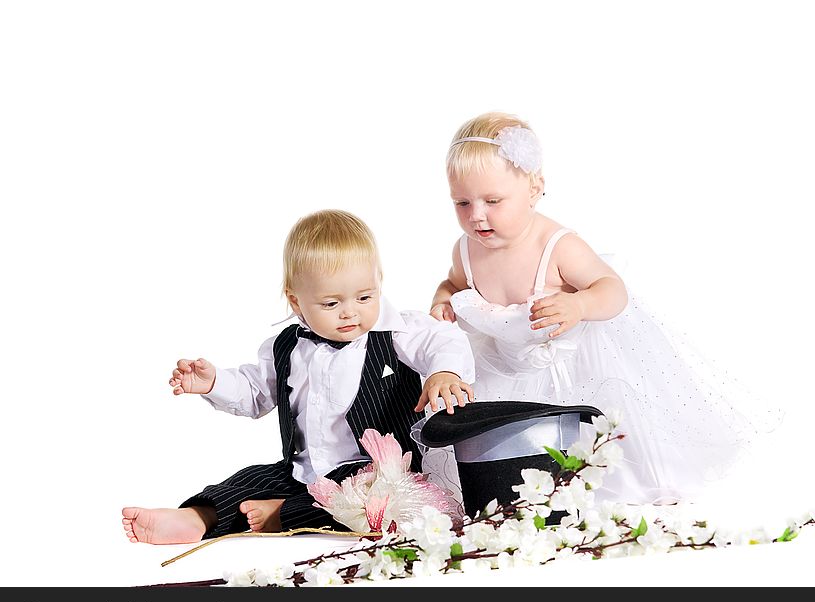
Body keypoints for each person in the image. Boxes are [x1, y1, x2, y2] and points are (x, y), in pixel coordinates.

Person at [429, 112, 779, 505]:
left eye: (493, 201)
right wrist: (443, 298)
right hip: (506, 368)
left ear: (534, 188)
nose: (476, 215)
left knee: (600, 450)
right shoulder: (466, 250)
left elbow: (613, 291)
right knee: (514, 455)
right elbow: (454, 283)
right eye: (462, 202)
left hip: (570, 370)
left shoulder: (557, 245)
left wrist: (579, 303)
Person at [122, 209, 475, 545]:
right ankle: (198, 518)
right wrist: (214, 383)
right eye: (331, 304)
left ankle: (281, 516)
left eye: (365, 296)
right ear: (296, 301)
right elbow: (255, 391)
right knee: (249, 480)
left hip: (375, 474)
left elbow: (441, 338)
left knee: (366, 505)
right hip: (301, 472)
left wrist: (444, 371)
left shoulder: (396, 333)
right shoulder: (288, 346)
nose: (350, 311)